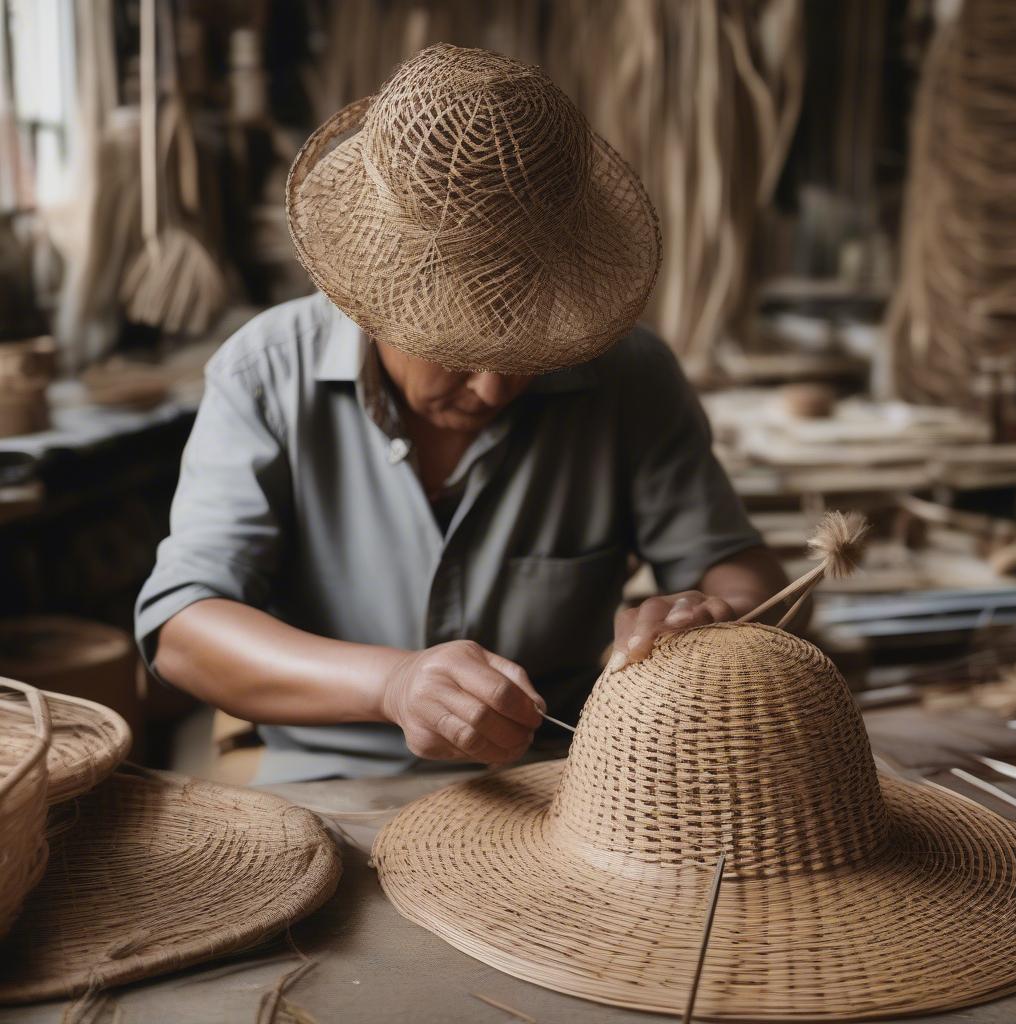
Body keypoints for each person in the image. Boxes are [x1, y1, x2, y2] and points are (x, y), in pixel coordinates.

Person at [135, 44, 790, 784]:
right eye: (456, 352)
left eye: (527, 350)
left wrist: (711, 615)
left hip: (564, 782)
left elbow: (744, 573)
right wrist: (391, 685)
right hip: (333, 785)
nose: (493, 390)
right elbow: (182, 632)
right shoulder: (266, 372)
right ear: (368, 304)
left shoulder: (630, 376)